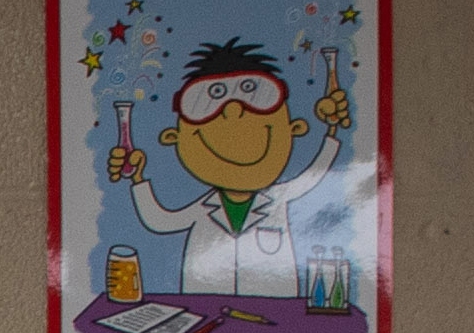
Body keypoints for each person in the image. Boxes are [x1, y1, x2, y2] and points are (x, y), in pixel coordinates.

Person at [105, 37, 350, 304]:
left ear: (295, 128)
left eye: (253, 94)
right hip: (204, 315)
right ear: (173, 137)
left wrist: (332, 130)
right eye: (209, 102)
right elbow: (159, 221)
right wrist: (137, 178)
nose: (233, 110)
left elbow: (315, 175)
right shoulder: (203, 210)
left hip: (275, 318)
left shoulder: (279, 200)